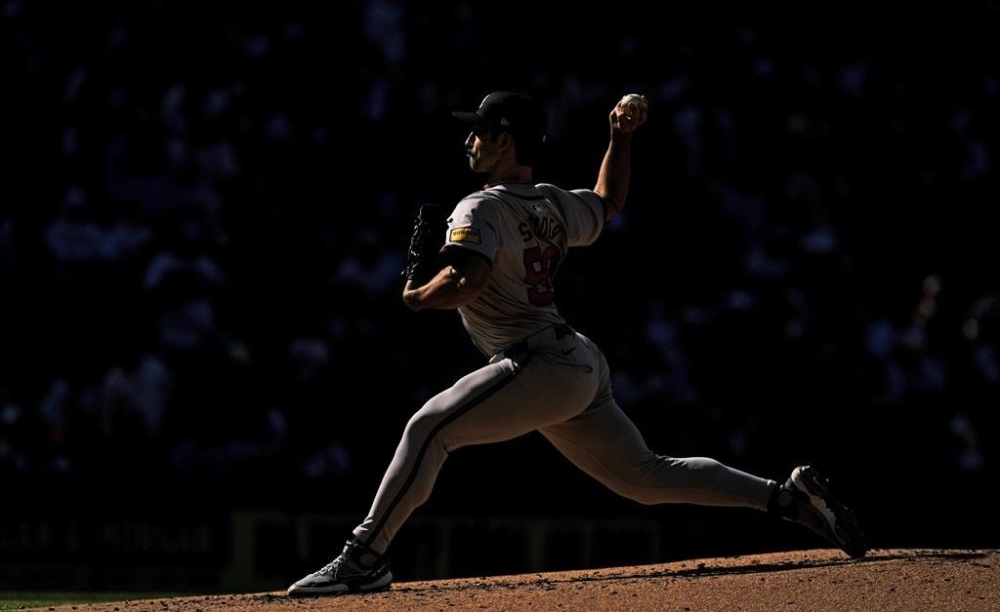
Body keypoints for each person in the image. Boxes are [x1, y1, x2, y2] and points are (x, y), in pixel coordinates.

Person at [286, 90, 868, 597]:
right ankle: (785, 498)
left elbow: (470, 282)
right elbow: (609, 201)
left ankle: (363, 558)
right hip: (575, 361)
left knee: (430, 428)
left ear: (505, 141)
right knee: (643, 476)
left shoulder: (479, 206)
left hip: (537, 359)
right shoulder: (551, 202)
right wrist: (619, 139)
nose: (469, 139)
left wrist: (416, 294)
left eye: (480, 131)